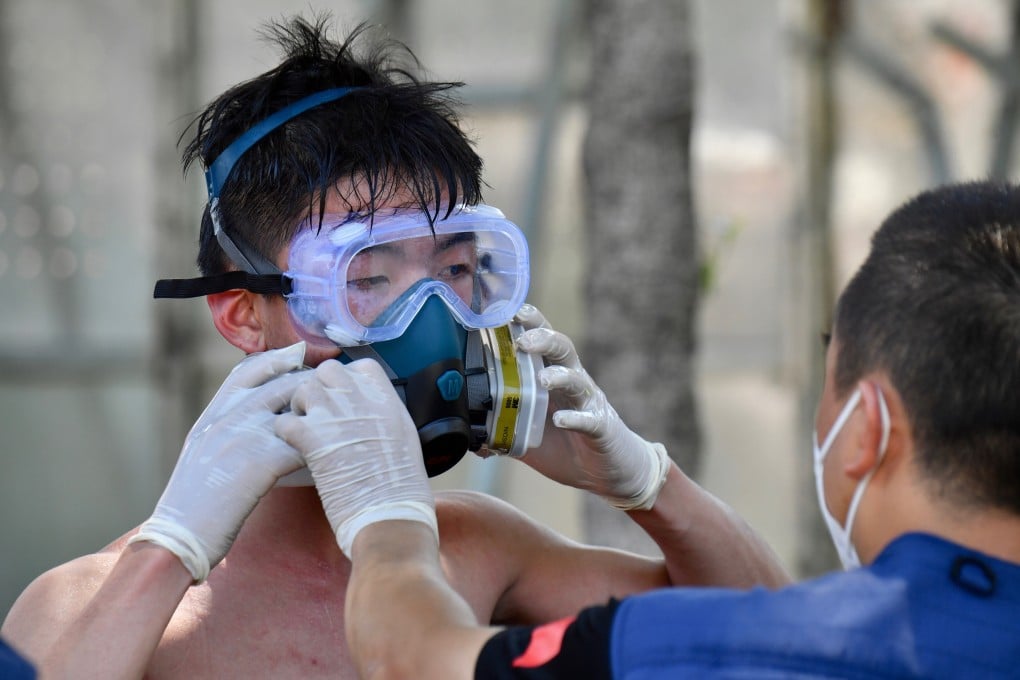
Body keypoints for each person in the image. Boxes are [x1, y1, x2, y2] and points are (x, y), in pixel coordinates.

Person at [1, 15, 786, 678]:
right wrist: (168, 554)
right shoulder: (91, 600)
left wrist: (645, 481)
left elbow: (773, 644)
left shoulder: (476, 548)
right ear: (243, 315)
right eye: (368, 279)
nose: (430, 320)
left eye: (455, 270)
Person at [284, 180, 1020, 679]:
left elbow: (415, 657)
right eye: (370, 278)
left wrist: (386, 521)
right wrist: (647, 482)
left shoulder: (743, 650)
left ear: (868, 429)